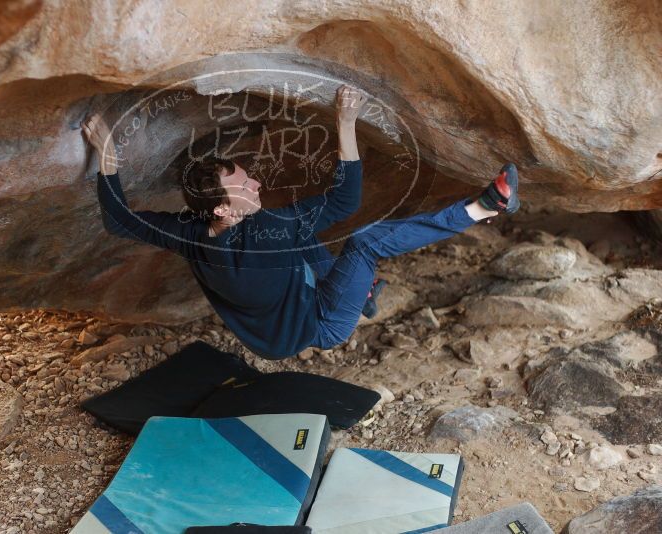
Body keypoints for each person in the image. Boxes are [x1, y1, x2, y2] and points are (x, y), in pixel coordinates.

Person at [82, 85, 519, 360]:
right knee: (364, 243)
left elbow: (119, 220)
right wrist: (345, 122)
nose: (255, 183)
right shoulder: (272, 232)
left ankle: (360, 290)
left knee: (309, 243)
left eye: (246, 176)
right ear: (223, 210)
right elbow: (345, 201)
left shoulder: (192, 233)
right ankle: (482, 209)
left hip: (289, 305)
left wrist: (107, 153)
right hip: (321, 323)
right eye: (244, 185)